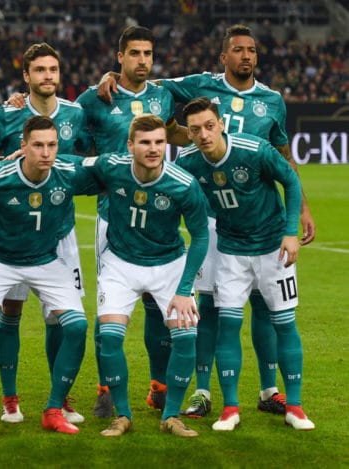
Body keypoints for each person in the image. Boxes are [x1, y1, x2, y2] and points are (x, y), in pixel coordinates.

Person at [97, 24, 316, 418]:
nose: (246, 56)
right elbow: (152, 83)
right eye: (237, 50)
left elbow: (283, 157)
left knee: (265, 308)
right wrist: (113, 77)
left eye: (251, 50)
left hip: (261, 223)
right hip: (214, 222)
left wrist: (299, 209)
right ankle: (202, 392)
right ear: (224, 57)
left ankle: (269, 391)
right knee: (210, 308)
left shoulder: (272, 99)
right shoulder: (201, 85)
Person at [0, 115, 92, 438]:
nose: (46, 152)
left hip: (46, 260)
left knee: (78, 325)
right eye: (38, 145)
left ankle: (53, 409)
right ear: (22, 146)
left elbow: (111, 167)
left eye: (52, 145)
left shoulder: (68, 172)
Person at [177, 97, 314, 431]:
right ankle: (230, 408)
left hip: (272, 249)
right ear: (190, 134)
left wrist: (290, 232)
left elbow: (291, 181)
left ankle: (294, 407)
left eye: (209, 126)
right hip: (230, 252)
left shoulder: (254, 150)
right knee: (228, 324)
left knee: (284, 323)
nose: (204, 134)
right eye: (195, 130)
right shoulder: (189, 161)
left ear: (221, 123)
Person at [0, 42, 90, 426]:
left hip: (61, 233)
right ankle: (9, 398)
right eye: (39, 70)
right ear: (26, 76)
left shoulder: (75, 113)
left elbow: (87, 160)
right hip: (12, 232)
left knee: (62, 318)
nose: (48, 76)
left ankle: (62, 397)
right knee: (10, 312)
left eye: (53, 69)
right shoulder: (7, 115)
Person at [75, 25, 189, 419]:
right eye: (135, 53)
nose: (143, 60)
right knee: (109, 306)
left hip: (160, 217)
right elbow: (68, 135)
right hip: (113, 217)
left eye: (148, 53)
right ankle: (105, 388)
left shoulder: (164, 94)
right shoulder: (94, 98)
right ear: (119, 56)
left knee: (159, 306)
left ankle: (158, 387)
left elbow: (179, 126)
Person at [81, 114, 208, 438]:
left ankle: (171, 415)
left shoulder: (183, 184)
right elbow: (72, 167)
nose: (153, 149)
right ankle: (122, 415)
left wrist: (183, 289)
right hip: (121, 263)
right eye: (145, 142)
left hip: (169, 265)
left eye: (159, 142)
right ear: (130, 145)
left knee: (186, 338)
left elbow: (201, 237)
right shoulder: (112, 166)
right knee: (109, 338)